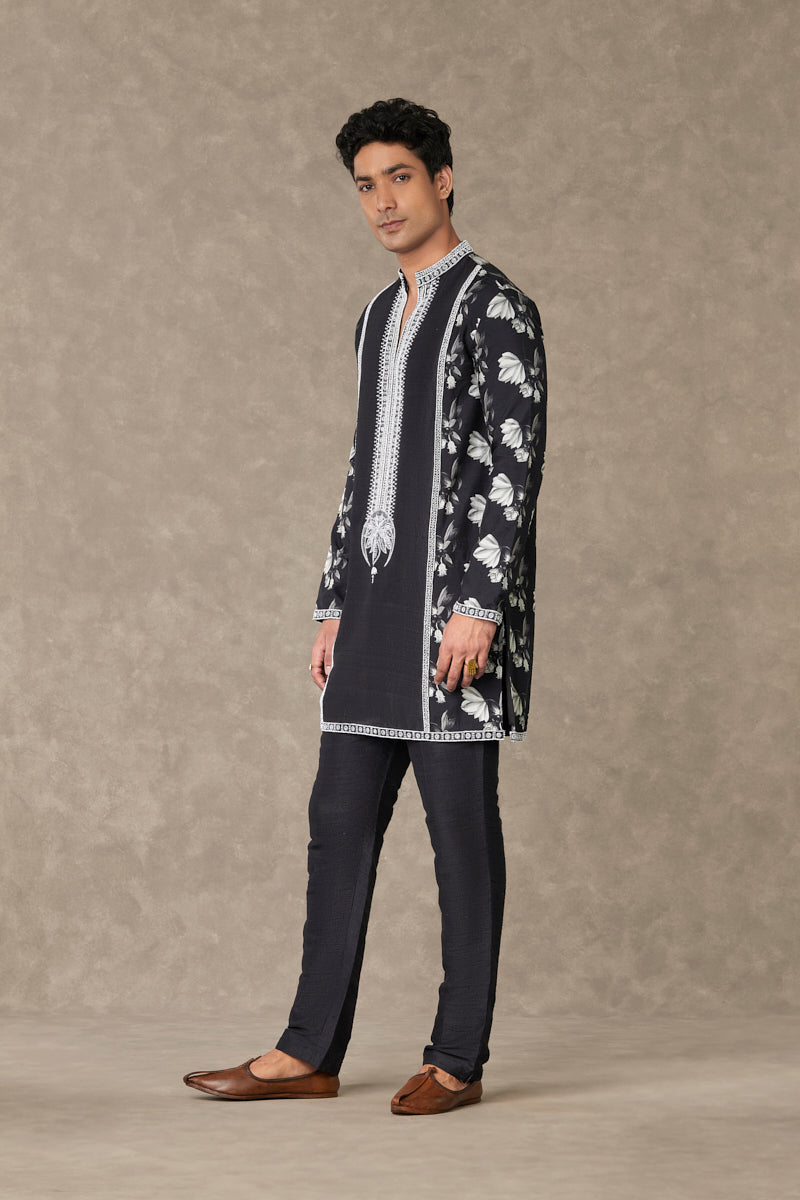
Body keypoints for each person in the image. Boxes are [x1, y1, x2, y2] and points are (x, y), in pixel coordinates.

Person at [183, 98, 547, 1115]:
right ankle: (309, 1050)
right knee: (336, 823)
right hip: (374, 608)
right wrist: (332, 600)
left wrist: (479, 606)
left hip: (451, 615)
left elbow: (512, 466)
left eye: (400, 177)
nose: (382, 201)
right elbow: (364, 470)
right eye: (364, 185)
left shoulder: (496, 307)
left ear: (442, 179)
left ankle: (457, 1057)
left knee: (458, 835)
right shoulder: (376, 317)